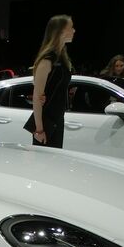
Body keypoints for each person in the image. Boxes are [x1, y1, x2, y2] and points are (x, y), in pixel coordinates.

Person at [26, 15, 75, 148]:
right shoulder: (47, 60)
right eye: (71, 27)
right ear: (60, 31)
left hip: (57, 120)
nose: (74, 30)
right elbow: (37, 98)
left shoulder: (62, 59)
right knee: (43, 160)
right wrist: (39, 130)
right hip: (46, 123)